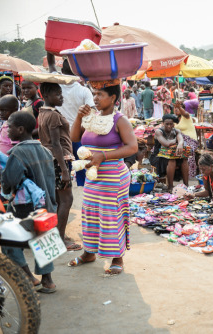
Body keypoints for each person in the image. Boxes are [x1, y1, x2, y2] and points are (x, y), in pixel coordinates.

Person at [69, 80, 137, 275]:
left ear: (113, 97)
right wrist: (78, 116)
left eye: (100, 94)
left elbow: (132, 147)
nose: (95, 98)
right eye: (94, 94)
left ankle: (117, 257)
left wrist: (103, 156)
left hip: (113, 176)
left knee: (111, 215)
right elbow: (75, 137)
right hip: (93, 175)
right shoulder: (91, 117)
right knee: (90, 212)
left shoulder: (120, 120)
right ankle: (89, 252)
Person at [1, 111, 57, 293]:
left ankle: (28, 276)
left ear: (20, 129)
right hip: (47, 205)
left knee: (8, 239)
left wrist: (7, 189)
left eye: (9, 126)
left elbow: (9, 180)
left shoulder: (17, 153)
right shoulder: (45, 150)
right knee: (44, 239)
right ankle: (48, 281)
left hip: (25, 209)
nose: (6, 130)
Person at [38, 82, 81, 251]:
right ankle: (61, 239)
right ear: (46, 96)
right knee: (67, 199)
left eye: (61, 93)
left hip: (52, 159)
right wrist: (64, 170)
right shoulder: (53, 115)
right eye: (58, 94)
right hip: (58, 160)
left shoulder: (43, 111)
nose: (61, 97)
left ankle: (58, 234)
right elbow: (56, 144)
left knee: (58, 199)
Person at [47, 52, 94, 187]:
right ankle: (81, 190)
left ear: (62, 70)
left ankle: (67, 187)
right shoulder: (84, 90)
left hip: (61, 134)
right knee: (81, 165)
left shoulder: (57, 83)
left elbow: (51, 64)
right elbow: (92, 110)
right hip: (77, 134)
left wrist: (51, 47)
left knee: (64, 166)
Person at [150, 114, 189, 192]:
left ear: (173, 124)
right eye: (167, 124)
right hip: (158, 156)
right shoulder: (159, 132)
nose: (169, 126)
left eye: (171, 124)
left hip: (172, 155)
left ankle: (186, 185)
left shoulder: (176, 131)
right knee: (172, 161)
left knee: (184, 159)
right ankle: (170, 186)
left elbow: (181, 139)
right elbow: (166, 143)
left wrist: (180, 144)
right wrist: (176, 141)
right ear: (163, 124)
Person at [174, 100, 199, 178]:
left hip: (191, 140)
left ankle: (190, 174)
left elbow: (185, 113)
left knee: (187, 150)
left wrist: (180, 108)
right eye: (175, 108)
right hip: (181, 141)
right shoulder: (174, 119)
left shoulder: (187, 117)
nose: (176, 109)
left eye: (178, 108)